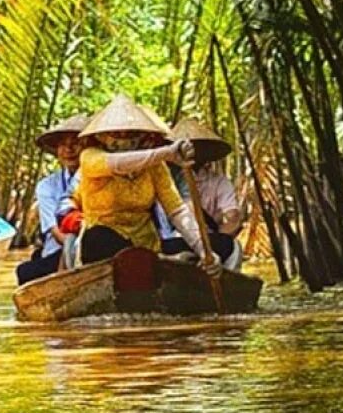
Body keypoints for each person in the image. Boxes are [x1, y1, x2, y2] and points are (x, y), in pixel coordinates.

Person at [70, 94, 218, 274]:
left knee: (222, 244)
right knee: (98, 237)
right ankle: (159, 262)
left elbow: (176, 210)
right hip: (104, 247)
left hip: (147, 247)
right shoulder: (90, 157)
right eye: (116, 134)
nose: (123, 138)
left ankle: (158, 262)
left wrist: (203, 250)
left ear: (141, 136)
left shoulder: (155, 165)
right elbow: (118, 164)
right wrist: (166, 153)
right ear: (101, 137)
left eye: (131, 133)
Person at [15, 113, 88, 286]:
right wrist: (75, 249)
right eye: (63, 145)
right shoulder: (46, 186)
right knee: (24, 272)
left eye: (75, 144)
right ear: (57, 151)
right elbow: (54, 231)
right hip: (61, 247)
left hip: (92, 244)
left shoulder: (100, 177)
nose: (69, 150)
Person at [170, 117, 243, 268]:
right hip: (177, 240)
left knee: (231, 247)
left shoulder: (219, 182)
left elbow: (232, 217)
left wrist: (215, 241)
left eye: (195, 147)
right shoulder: (165, 179)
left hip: (211, 240)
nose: (191, 152)